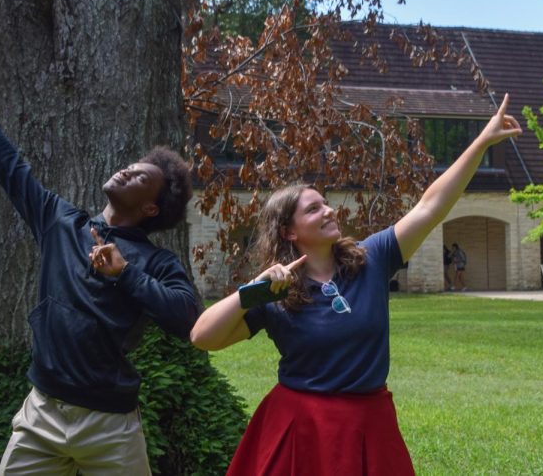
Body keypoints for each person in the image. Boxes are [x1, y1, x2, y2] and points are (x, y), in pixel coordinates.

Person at [190, 96, 521, 475]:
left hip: (369, 422)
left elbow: (430, 206)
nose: (329, 211)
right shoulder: (275, 294)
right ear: (289, 232)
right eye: (314, 209)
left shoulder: (372, 258)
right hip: (300, 426)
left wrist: (481, 143)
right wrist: (253, 291)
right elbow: (203, 337)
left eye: (326, 204)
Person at [0, 51, 200, 475]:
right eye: (130, 166)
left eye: (140, 178)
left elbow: (188, 318)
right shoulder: (61, 223)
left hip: (111, 426)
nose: (126, 172)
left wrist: (126, 274)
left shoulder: (156, 262)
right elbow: (12, 170)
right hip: (42, 413)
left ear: (152, 209)